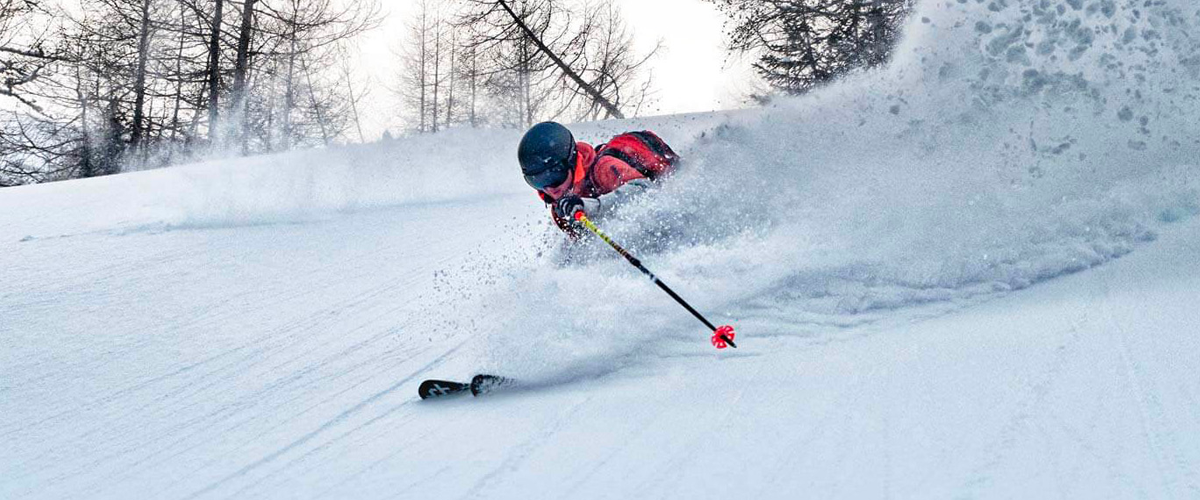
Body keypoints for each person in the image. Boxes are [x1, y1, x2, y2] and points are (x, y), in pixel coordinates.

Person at [517, 121, 680, 236]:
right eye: (537, 181)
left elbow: (644, 191)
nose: (549, 188)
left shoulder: (604, 169)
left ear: (572, 163)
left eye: (555, 175)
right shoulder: (561, 208)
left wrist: (591, 206)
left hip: (673, 198)